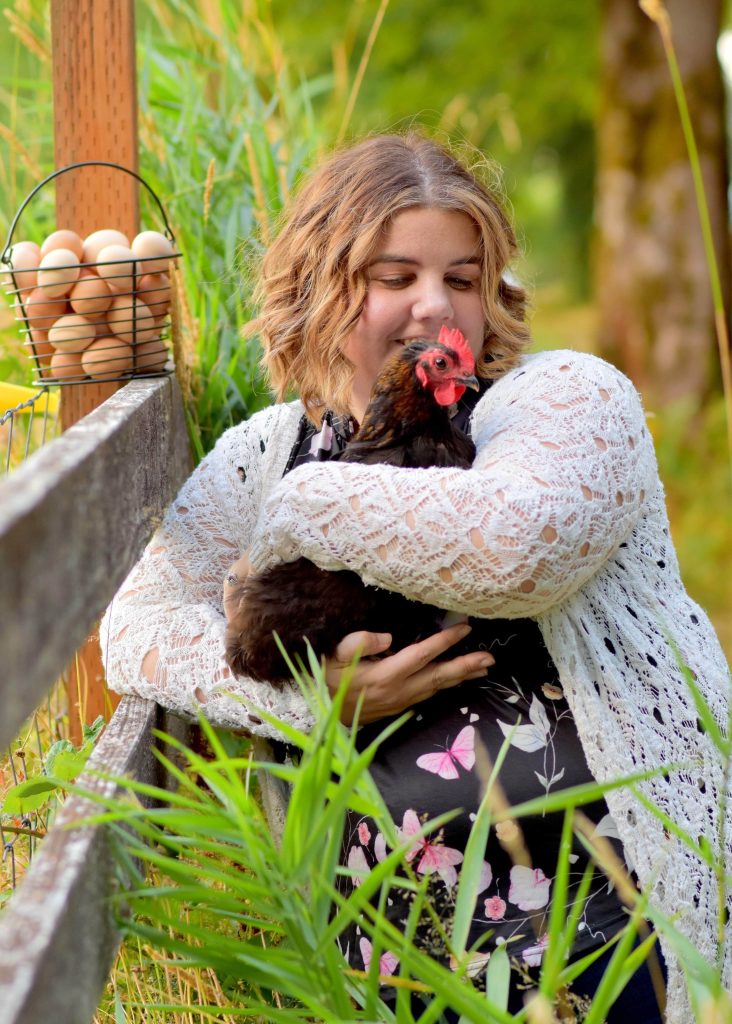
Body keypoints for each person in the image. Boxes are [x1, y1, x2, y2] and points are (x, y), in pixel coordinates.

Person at [101, 132, 731, 1022]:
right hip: (377, 972)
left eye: (464, 279)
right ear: (322, 288)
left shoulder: (558, 402)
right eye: (395, 278)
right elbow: (136, 626)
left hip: (597, 948)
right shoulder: (266, 455)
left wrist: (301, 511)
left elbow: (517, 547)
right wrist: (316, 703)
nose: (437, 305)